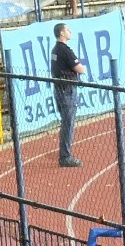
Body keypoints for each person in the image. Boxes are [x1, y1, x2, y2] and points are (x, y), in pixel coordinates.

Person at [51, 23, 85, 167]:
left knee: (66, 122)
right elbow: (80, 69)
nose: (70, 31)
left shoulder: (55, 49)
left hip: (59, 89)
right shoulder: (65, 51)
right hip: (67, 90)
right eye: (67, 30)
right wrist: (81, 68)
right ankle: (65, 156)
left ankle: (65, 153)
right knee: (68, 123)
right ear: (62, 33)